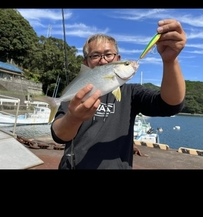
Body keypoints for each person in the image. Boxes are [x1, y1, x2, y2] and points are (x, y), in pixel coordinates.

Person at [51, 19, 186, 169]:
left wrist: (170, 61)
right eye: (95, 56)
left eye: (108, 54)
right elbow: (59, 135)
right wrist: (74, 118)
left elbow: (169, 105)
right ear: (86, 63)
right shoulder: (78, 93)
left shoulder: (131, 93)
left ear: (118, 59)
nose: (103, 61)